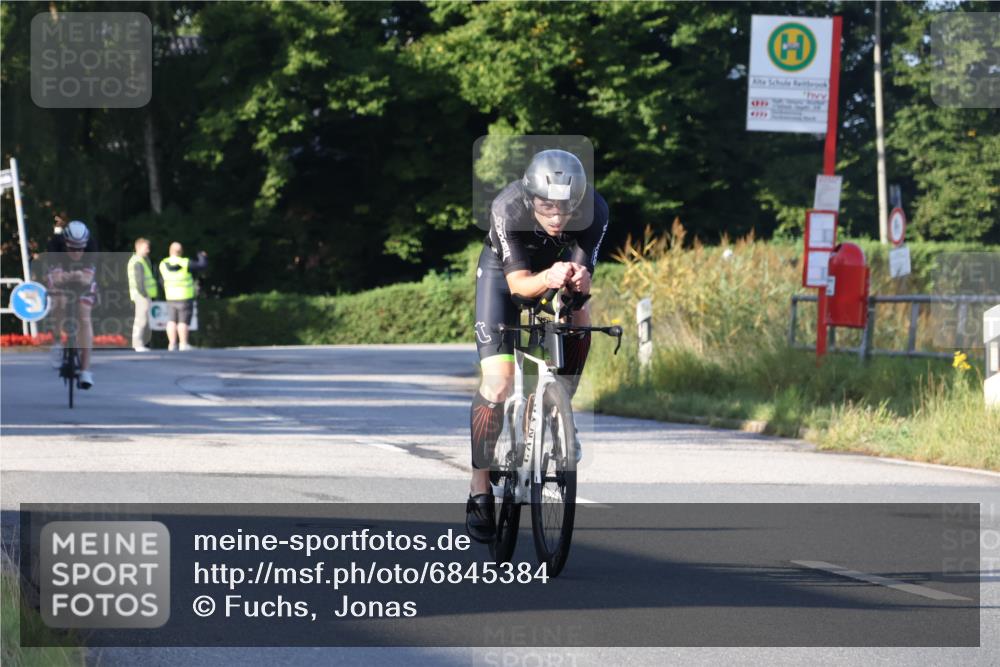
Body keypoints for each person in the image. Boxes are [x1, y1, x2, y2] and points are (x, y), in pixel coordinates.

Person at [466, 149, 609, 542]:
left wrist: (579, 285)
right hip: (504, 276)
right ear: (531, 199)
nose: (558, 217)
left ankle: (562, 407)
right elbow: (519, 287)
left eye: (567, 207)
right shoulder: (508, 208)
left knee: (580, 315)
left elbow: (583, 277)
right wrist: (549, 275)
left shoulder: (595, 209)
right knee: (498, 382)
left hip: (553, 272)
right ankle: (479, 487)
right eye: (547, 207)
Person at [46, 219, 99, 389]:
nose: (77, 252)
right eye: (72, 248)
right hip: (62, 275)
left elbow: (86, 279)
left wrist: (75, 276)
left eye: (80, 248)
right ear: (65, 243)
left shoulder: (91, 247)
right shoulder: (55, 246)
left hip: (82, 280)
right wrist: (72, 275)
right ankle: (56, 343)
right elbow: (57, 278)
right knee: (59, 300)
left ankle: (85, 370)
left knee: (84, 315)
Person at [158, 242, 208, 351]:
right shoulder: (184, 262)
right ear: (181, 251)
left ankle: (171, 344)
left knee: (171, 321)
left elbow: (160, 280)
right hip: (184, 296)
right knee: (183, 322)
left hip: (170, 296)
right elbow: (202, 265)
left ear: (170, 251)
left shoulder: (163, 263)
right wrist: (202, 256)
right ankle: (183, 344)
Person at [127, 238, 159, 352]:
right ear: (139, 247)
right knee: (141, 320)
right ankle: (138, 344)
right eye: (146, 247)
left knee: (142, 319)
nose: (148, 250)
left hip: (140, 294)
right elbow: (139, 280)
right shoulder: (138, 261)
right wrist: (144, 294)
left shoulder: (138, 260)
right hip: (141, 295)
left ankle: (138, 344)